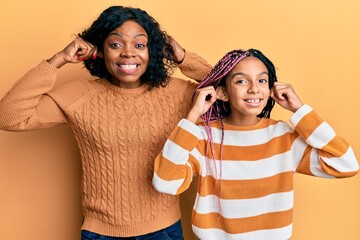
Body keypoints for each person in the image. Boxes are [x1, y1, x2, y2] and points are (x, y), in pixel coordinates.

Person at [0, 5, 212, 240]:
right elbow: (9, 116)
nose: (128, 53)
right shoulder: (78, 96)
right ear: (100, 50)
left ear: (152, 51)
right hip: (100, 233)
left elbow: (231, 92)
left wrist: (183, 57)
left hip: (163, 231)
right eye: (116, 44)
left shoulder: (176, 92)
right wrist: (57, 60)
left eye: (140, 45)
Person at [152, 48, 359, 240]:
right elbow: (165, 182)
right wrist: (193, 115)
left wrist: (300, 109)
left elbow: (346, 164)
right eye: (241, 82)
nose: (254, 89)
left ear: (271, 90)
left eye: (262, 80)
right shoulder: (204, 137)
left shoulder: (283, 136)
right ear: (222, 93)